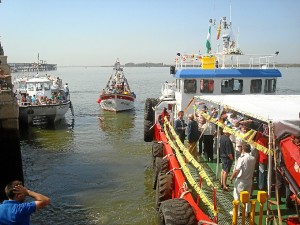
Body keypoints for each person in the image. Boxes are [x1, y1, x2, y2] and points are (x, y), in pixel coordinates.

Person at [230, 144, 256, 215]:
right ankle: (247, 212)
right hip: (249, 180)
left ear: (243, 150)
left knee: (236, 196)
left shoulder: (242, 158)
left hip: (241, 180)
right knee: (247, 197)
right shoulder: (253, 158)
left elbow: (237, 170)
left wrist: (231, 177)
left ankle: (237, 211)